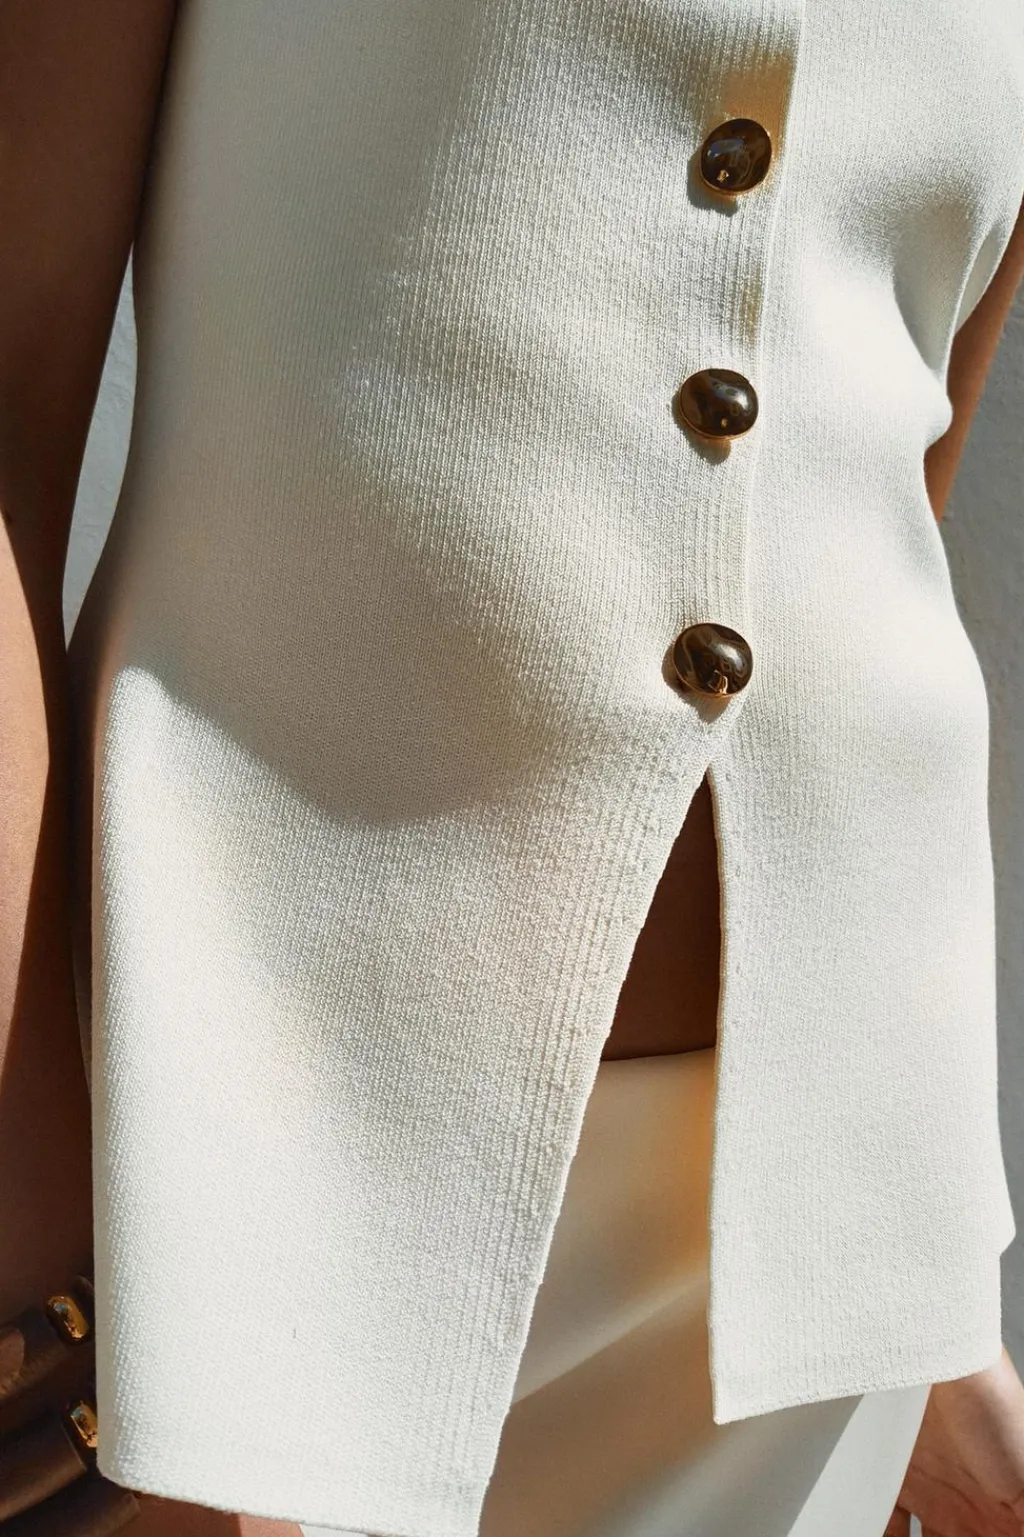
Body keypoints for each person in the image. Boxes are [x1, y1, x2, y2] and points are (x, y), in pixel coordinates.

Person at [4, 1, 1024, 1533]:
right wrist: (43, 1308)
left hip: (800, 1289)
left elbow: (873, 447)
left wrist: (924, 1313)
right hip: (227, 1221)